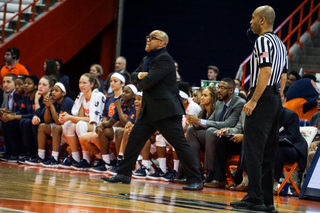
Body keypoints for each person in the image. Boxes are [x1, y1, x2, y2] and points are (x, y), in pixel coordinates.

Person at [101, 30, 203, 190]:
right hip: (150, 111)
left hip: (166, 112)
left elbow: (147, 82)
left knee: (181, 145)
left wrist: (142, 77)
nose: (148, 40)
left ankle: (196, 179)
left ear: (162, 43)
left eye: (152, 38)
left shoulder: (164, 59)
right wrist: (142, 75)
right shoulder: (147, 59)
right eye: (147, 37)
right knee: (134, 139)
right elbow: (133, 77)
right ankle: (124, 173)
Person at [230, 6, 287, 211]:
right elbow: (282, 76)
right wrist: (277, 97)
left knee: (253, 149)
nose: (250, 22)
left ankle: (255, 198)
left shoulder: (262, 41)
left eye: (253, 18)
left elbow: (265, 71)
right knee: (268, 152)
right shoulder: (280, 44)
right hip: (275, 99)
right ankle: (266, 201)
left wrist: (254, 100)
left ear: (263, 20)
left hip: (262, 97)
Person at [186, 78, 245, 186]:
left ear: (231, 90)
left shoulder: (239, 103)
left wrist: (200, 121)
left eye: (222, 88)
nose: (219, 90)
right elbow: (211, 121)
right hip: (214, 135)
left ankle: (211, 172)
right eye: (219, 87)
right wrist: (196, 122)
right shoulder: (219, 103)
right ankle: (196, 172)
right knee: (191, 130)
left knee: (210, 131)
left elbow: (229, 124)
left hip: (228, 137)